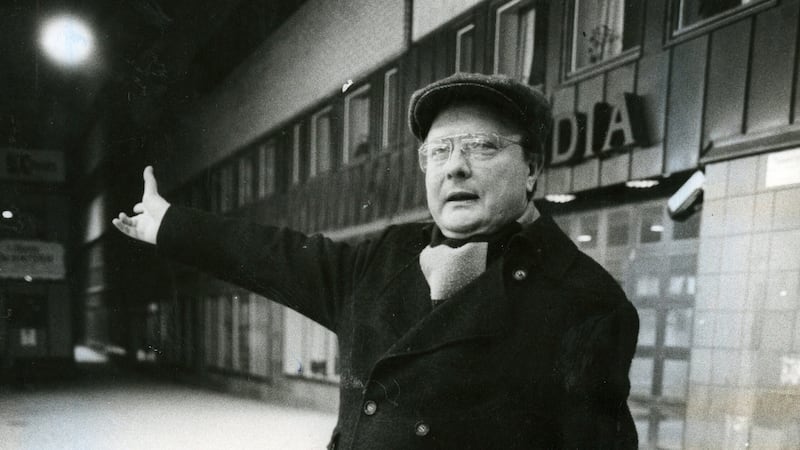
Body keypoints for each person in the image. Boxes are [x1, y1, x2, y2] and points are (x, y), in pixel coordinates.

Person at [113, 72, 639, 449]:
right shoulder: (387, 257)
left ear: (531, 168)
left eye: (481, 146)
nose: (454, 168)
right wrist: (170, 225)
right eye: (438, 151)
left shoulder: (583, 300)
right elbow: (274, 256)